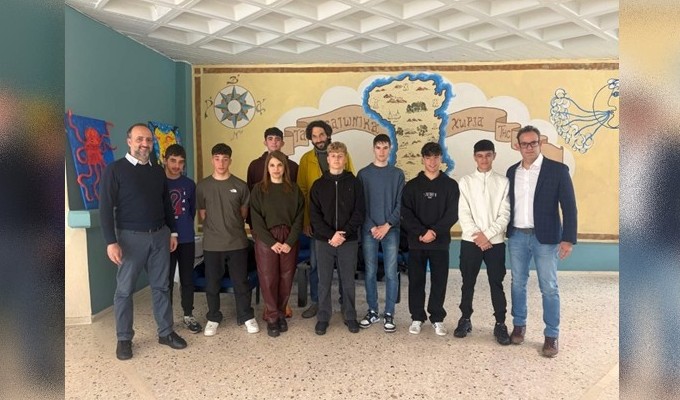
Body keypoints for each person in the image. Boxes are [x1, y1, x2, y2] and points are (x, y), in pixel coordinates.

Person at [99, 123, 187, 361]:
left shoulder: (157, 171)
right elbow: (105, 208)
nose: (144, 144)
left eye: (148, 140)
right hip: (130, 239)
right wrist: (110, 242)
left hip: (159, 236)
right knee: (124, 291)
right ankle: (124, 338)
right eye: (139, 139)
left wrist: (173, 233)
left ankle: (165, 332)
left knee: (161, 287)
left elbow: (166, 204)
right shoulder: (115, 170)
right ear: (129, 141)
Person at [506, 125, 577, 358]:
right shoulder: (511, 172)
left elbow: (569, 207)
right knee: (517, 283)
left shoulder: (557, 170)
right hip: (517, 236)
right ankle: (519, 325)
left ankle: (551, 335)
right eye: (524, 144)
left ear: (540, 143)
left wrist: (568, 239)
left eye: (533, 143)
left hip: (546, 239)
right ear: (518, 146)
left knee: (549, 286)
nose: (529, 147)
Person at [196, 143, 259, 337]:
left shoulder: (240, 186)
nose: (221, 163)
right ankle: (213, 317)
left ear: (230, 161)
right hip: (212, 245)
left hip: (237, 243)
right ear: (212, 160)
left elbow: (242, 214)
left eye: (225, 159)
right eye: (217, 159)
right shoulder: (203, 186)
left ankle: (246, 316)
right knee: (212, 284)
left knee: (241, 282)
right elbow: (203, 214)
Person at [452, 139, 511, 345]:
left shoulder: (503, 182)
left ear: (494, 156)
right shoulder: (465, 182)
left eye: (488, 155)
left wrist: (488, 236)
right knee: (468, 282)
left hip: (495, 243)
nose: (484, 159)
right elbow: (463, 212)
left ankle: (500, 323)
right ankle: (465, 319)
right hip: (471, 241)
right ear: (474, 157)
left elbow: (505, 214)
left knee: (496, 282)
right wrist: (478, 236)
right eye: (480, 156)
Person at [296, 120, 355, 318]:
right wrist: (307, 221)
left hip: (342, 224)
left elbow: (350, 184)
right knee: (316, 266)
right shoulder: (306, 159)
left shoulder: (343, 155)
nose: (318, 139)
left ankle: (345, 304)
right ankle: (317, 303)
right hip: (318, 225)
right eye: (314, 136)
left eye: (321, 134)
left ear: (328, 134)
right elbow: (303, 191)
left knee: (345, 270)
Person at [401, 142, 459, 336]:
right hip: (416, 242)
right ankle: (417, 317)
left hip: (440, 242)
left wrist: (434, 232)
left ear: (441, 158)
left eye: (435, 157)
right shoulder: (412, 186)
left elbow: (453, 213)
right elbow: (405, 213)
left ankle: (437, 318)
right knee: (416, 280)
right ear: (422, 159)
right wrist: (421, 232)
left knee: (439, 281)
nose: (432, 162)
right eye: (428, 158)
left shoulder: (450, 185)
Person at [309, 142, 365, 335]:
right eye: (333, 156)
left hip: (348, 241)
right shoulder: (318, 185)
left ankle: (350, 315)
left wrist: (343, 234)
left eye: (340, 156)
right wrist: (330, 235)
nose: (336, 159)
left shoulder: (355, 183)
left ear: (345, 158)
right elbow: (314, 216)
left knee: (347, 280)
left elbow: (359, 212)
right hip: (324, 241)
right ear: (328, 159)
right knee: (324, 280)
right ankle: (323, 316)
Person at [250, 151, 304, 337]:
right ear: (267, 167)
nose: (276, 169)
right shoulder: (258, 190)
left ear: (285, 168)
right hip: (267, 238)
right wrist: (271, 242)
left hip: (289, 237)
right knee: (268, 277)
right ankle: (272, 316)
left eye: (279, 165)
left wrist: (289, 241)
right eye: (272, 165)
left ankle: (281, 313)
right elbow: (256, 219)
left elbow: (299, 218)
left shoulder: (294, 190)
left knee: (286, 277)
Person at [357, 134, 405, 333]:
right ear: (373, 149)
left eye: (385, 147)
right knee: (370, 272)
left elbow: (401, 203)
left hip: (390, 230)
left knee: (391, 272)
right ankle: (372, 311)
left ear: (390, 148)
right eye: (378, 147)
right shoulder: (363, 174)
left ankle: (389, 313)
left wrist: (387, 225)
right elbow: (360, 204)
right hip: (369, 230)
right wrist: (371, 226)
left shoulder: (398, 174)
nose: (382, 151)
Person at [164, 144, 202, 334]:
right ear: (165, 160)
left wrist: (184, 227)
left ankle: (188, 314)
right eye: (173, 161)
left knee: (187, 278)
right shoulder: (159, 182)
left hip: (186, 238)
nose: (176, 165)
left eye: (180, 162)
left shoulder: (189, 184)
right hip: (165, 240)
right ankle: (166, 318)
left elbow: (192, 210)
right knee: (166, 280)